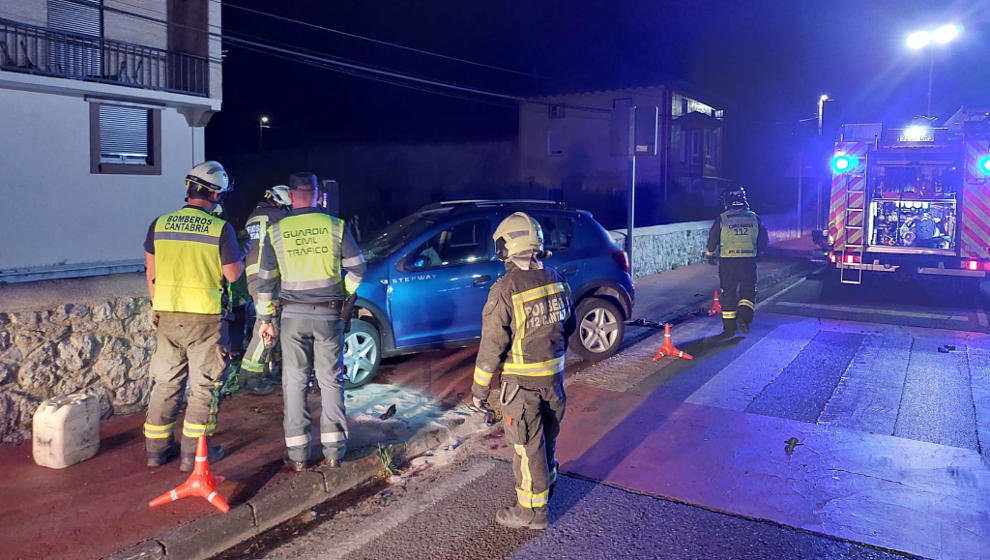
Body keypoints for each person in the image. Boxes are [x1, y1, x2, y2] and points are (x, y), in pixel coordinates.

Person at [471, 212, 575, 530]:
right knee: (548, 437)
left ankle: (532, 512)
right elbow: (567, 325)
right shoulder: (558, 279)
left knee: (527, 448)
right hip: (554, 379)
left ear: (507, 247)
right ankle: (549, 484)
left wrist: (479, 391)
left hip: (522, 386)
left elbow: (491, 347)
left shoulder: (506, 288)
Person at [256, 172, 365, 471]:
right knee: (331, 380)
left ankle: (299, 456)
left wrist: (266, 318)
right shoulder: (335, 226)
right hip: (329, 314)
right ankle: (334, 451)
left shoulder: (276, 231)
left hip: (291, 317)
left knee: (294, 381)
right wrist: (346, 293)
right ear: (318, 195)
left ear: (291, 196)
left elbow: (265, 282)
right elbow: (358, 269)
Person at [143, 161, 244, 471]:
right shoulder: (220, 228)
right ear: (215, 195)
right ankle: (192, 456)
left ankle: (157, 451)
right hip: (206, 320)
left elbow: (151, 272)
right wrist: (243, 252)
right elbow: (233, 274)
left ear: (189, 189)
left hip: (167, 315)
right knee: (204, 388)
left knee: (166, 384)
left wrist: (159, 307)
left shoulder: (159, 224)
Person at [237, 185, 292, 395]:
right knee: (267, 328)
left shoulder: (254, 216)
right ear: (280, 203)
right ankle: (249, 377)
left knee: (266, 324)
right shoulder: (277, 217)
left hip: (253, 278)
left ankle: (266, 370)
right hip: (268, 280)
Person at [705, 186, 768, 336]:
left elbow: (713, 237)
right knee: (748, 290)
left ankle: (729, 328)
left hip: (728, 262)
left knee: (728, 292)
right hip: (748, 261)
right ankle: (744, 319)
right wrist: (760, 252)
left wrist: (710, 254)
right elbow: (763, 239)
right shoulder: (754, 217)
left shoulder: (723, 218)